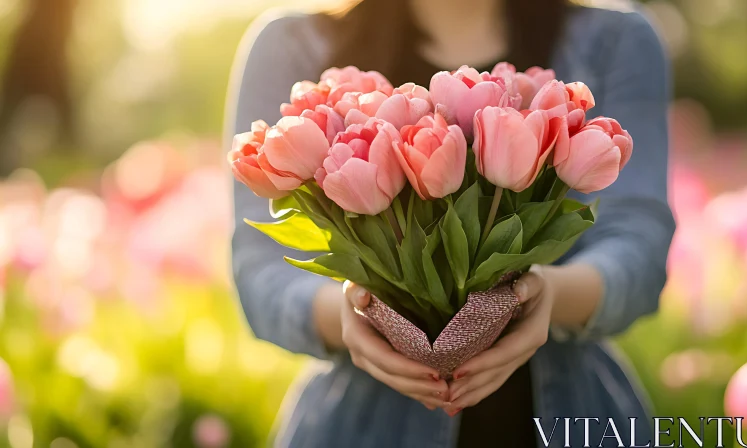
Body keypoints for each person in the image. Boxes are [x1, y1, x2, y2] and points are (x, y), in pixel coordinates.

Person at [225, 0, 675, 446]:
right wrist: (352, 317)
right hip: (361, 426)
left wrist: (549, 298)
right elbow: (261, 272)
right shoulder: (290, 46)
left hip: (574, 416)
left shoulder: (616, 40)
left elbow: (639, 246)